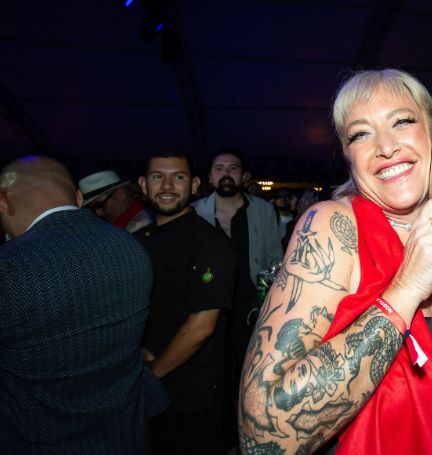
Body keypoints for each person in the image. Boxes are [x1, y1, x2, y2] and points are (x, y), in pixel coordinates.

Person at [239, 69, 432, 454]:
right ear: (348, 157)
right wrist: (406, 288)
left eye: (401, 121)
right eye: (360, 134)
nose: (385, 147)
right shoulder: (331, 228)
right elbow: (262, 439)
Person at [0, 156, 167, 452]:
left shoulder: (10, 267)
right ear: (78, 198)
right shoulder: (129, 247)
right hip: (126, 436)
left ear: (3, 201)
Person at [135, 148, 235, 454]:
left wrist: (151, 377)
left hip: (189, 394)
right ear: (143, 185)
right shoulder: (137, 241)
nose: (167, 186)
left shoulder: (209, 243)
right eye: (158, 177)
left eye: (177, 177)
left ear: (194, 185)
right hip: (143, 386)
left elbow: (201, 327)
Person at [192, 148, 283, 452]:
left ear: (244, 176)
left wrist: (271, 305)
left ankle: (250, 436)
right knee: (213, 376)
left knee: (251, 376)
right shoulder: (195, 212)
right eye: (219, 168)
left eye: (233, 168)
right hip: (208, 309)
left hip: (249, 309)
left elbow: (275, 259)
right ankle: (220, 439)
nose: (226, 174)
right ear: (209, 177)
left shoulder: (263, 211)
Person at [79, 169, 153, 232]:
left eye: (100, 205)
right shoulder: (120, 226)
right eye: (92, 209)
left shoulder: (140, 225)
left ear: (120, 194)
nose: (98, 213)